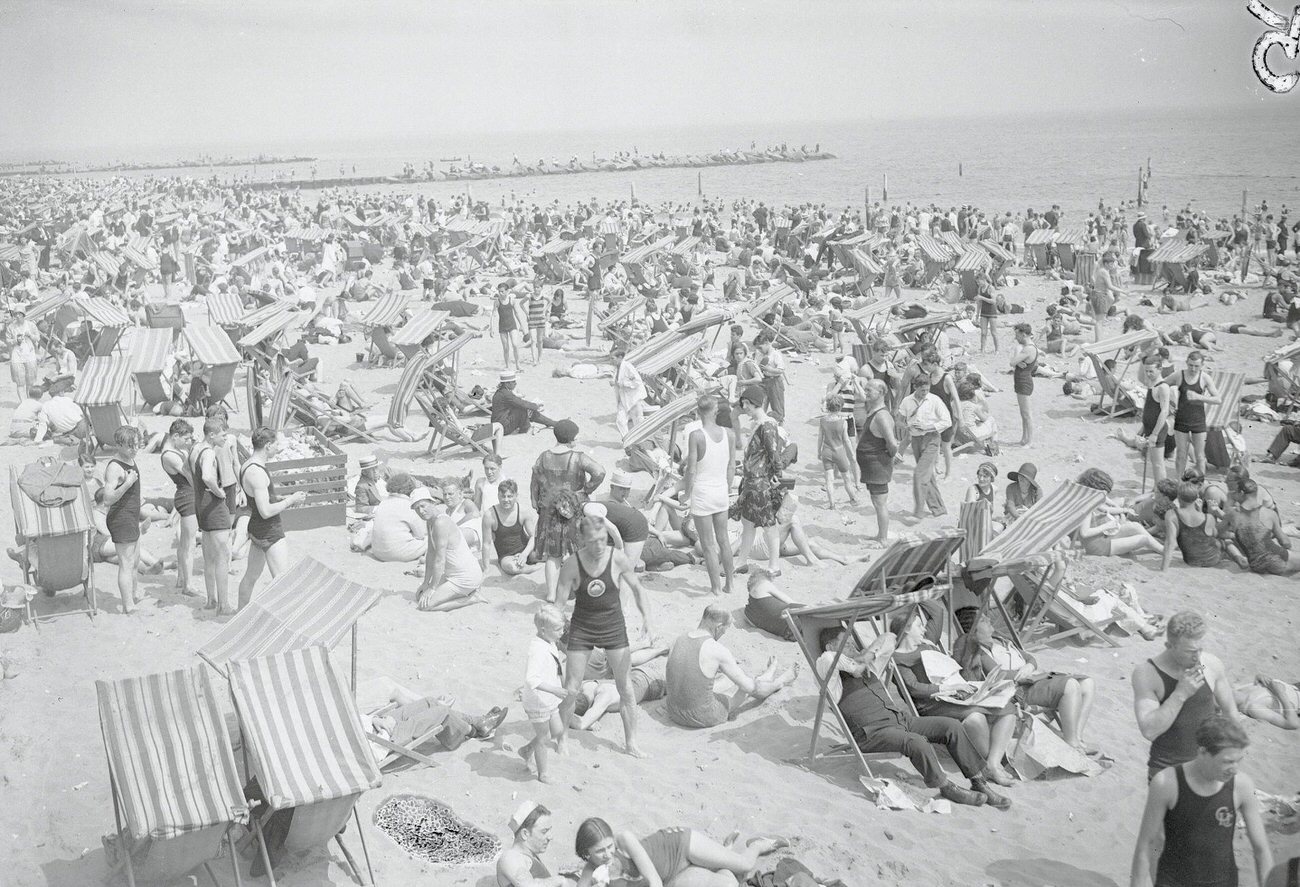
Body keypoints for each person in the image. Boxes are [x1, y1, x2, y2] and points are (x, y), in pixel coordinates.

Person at [816, 627, 1009, 809]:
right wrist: (862, 658)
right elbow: (834, 660)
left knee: (951, 726)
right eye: (846, 644)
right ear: (831, 646)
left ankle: (978, 782)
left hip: (901, 720)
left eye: (852, 643)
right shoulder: (828, 670)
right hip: (872, 733)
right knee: (916, 742)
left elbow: (890, 637)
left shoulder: (867, 664)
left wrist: (867, 655)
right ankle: (946, 787)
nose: (852, 647)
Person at [1130, 716, 1272, 887]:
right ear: (1203, 752)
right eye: (1227, 762)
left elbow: (1261, 850)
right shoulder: (1166, 783)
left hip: (1223, 882)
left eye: (1238, 761)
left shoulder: (1241, 786)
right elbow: (1146, 845)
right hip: (1174, 882)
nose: (1234, 770)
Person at [556, 515, 652, 757]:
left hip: (612, 626)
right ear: (582, 540)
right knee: (571, 688)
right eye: (592, 541)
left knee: (626, 688)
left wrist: (647, 619)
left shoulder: (617, 558)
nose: (598, 546)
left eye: (602, 540)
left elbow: (638, 589)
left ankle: (631, 743)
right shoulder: (571, 565)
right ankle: (562, 739)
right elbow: (557, 605)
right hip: (582, 627)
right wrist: (549, 634)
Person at [892, 606, 1018, 785]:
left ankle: (992, 763)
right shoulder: (898, 658)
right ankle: (992, 765)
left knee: (1008, 707)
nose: (924, 629)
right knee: (975, 718)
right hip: (934, 703)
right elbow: (914, 688)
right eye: (918, 626)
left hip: (957, 693)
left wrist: (914, 590)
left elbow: (937, 610)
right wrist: (944, 688)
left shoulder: (928, 642)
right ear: (906, 628)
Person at [954, 608, 1097, 753]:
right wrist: (1031, 674)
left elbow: (1029, 658)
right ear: (973, 631)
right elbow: (1000, 675)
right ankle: (1071, 743)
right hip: (1020, 690)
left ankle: (1076, 738)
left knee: (1087, 683)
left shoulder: (1000, 640)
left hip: (1034, 679)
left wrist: (1029, 666)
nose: (989, 621)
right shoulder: (979, 652)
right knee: (1070, 685)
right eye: (983, 620)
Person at [1133, 611, 1239, 780]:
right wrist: (1181, 694)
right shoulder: (1147, 674)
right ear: (1169, 646)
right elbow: (1149, 730)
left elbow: (1231, 714)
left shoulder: (1209, 664)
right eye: (1190, 651)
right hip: (1168, 771)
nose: (1197, 657)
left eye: (1200, 650)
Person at [665, 604, 798, 729]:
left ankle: (767, 674)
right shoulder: (716, 649)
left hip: (674, 712)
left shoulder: (678, 639)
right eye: (725, 629)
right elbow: (751, 689)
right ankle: (779, 681)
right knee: (747, 685)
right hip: (703, 716)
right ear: (718, 626)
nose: (723, 634)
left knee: (723, 679)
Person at [574, 817, 787, 887]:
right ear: (586, 854)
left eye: (609, 847)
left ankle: (756, 845)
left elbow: (655, 882)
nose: (608, 854)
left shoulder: (624, 839)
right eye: (599, 851)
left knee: (745, 866)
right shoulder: (588, 876)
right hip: (673, 875)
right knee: (727, 879)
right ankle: (724, 850)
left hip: (678, 845)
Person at [531, 419, 605, 601]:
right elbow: (600, 472)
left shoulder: (543, 457)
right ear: (571, 439)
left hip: (550, 510)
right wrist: (586, 490)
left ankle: (550, 594)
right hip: (573, 508)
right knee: (578, 549)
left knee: (553, 554)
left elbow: (535, 483)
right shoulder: (578, 457)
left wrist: (537, 504)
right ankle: (580, 589)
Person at [237, 427, 307, 609]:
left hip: (256, 529)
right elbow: (266, 511)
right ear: (267, 446)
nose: (278, 449)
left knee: (251, 576)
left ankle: (240, 615)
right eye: (276, 445)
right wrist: (291, 500)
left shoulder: (247, 466)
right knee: (283, 580)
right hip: (269, 530)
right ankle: (283, 621)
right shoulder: (257, 473)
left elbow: (257, 499)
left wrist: (282, 500)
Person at [684, 395, 736, 595]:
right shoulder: (729, 434)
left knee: (708, 544)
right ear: (715, 411)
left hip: (703, 492)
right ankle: (730, 584)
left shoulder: (696, 435)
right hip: (720, 490)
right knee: (723, 540)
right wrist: (727, 487)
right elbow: (731, 466)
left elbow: (691, 470)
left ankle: (716, 588)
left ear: (698, 412)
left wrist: (686, 494)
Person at [731, 386, 784, 576]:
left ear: (754, 403)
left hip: (760, 482)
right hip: (751, 481)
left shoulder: (767, 425)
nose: (744, 406)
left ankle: (774, 566)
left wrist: (778, 474)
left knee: (768, 525)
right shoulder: (759, 424)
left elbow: (774, 453)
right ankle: (742, 561)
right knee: (747, 523)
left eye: (746, 403)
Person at [520, 605, 576, 783]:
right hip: (538, 701)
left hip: (549, 700)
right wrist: (555, 689)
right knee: (543, 738)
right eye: (558, 629)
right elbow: (531, 679)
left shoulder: (549, 641)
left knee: (558, 730)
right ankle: (543, 773)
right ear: (543, 630)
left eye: (562, 628)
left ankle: (528, 749)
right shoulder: (537, 650)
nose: (562, 633)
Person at [413, 486, 485, 612]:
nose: (421, 511)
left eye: (423, 506)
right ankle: (463, 592)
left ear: (432, 502)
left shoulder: (441, 522)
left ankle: (472, 598)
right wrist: (426, 583)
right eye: (417, 508)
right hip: (452, 574)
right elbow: (430, 553)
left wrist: (432, 588)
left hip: (465, 576)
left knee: (425, 606)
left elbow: (440, 559)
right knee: (419, 596)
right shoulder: (430, 521)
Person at [1074, 468, 1164, 559]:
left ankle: (1160, 546)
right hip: (1098, 547)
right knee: (1144, 539)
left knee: (1135, 526)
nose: (1105, 496)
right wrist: (1107, 526)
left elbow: (1105, 508)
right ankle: (1164, 550)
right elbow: (1084, 533)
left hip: (1101, 538)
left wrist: (1124, 510)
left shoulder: (1085, 498)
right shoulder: (1087, 505)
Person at [191, 417, 233, 613]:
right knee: (222, 557)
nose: (226, 439)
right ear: (212, 434)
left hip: (201, 506)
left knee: (208, 559)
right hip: (214, 508)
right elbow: (207, 476)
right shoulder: (208, 453)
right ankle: (224, 605)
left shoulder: (195, 449)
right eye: (223, 435)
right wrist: (219, 492)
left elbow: (186, 470)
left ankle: (211, 600)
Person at [102, 426, 144, 613]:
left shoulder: (130, 459)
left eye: (136, 445)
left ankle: (132, 595)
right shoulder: (114, 467)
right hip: (121, 518)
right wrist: (127, 484)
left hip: (131, 516)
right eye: (130, 446)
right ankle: (128, 605)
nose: (134, 449)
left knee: (134, 561)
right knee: (126, 563)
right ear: (119, 445)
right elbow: (107, 498)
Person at [898, 373, 950, 519]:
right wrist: (908, 426)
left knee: (919, 474)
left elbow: (947, 421)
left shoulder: (935, 400)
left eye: (927, 390)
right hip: (915, 440)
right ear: (915, 387)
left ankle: (918, 511)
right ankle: (939, 509)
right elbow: (899, 421)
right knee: (928, 475)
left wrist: (927, 427)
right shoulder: (907, 401)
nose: (925, 393)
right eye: (922, 390)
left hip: (932, 439)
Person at [160, 419, 200, 597]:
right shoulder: (169, 455)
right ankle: (188, 585)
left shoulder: (174, 450)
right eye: (186, 438)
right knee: (189, 543)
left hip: (185, 495)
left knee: (184, 540)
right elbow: (190, 476)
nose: (188, 441)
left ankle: (180, 579)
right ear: (175, 436)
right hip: (187, 496)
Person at [855, 378, 897, 545]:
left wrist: (889, 455)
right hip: (873, 465)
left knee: (880, 503)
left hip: (878, 464)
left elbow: (893, 444)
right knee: (877, 501)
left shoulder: (881, 416)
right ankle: (881, 535)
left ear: (880, 393)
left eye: (869, 390)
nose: (866, 392)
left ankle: (883, 539)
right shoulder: (874, 410)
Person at [1168, 350, 1219, 478]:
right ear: (1186, 363)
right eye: (1190, 365)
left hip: (1198, 420)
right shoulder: (1179, 375)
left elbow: (1218, 399)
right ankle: (1179, 482)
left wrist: (1199, 397)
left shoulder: (1205, 377)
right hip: (1181, 419)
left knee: (1200, 456)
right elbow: (1161, 385)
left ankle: (1200, 483)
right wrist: (1168, 403)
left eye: (1196, 366)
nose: (1193, 368)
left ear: (1202, 365)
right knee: (1181, 454)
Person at [496, 802, 569, 887]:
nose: (550, 837)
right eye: (544, 831)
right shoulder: (510, 858)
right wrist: (559, 880)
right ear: (525, 834)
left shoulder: (529, 855)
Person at [481, 479, 541, 576]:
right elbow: (486, 544)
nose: (506, 500)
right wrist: (486, 568)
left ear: (516, 496)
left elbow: (533, 536)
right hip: (506, 555)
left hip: (526, 549)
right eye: (503, 496)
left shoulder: (523, 511)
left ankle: (538, 565)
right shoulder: (490, 515)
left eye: (509, 496)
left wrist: (524, 554)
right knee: (512, 568)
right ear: (498, 496)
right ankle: (536, 568)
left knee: (546, 555)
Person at [1161, 482, 1223, 571]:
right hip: (1212, 560)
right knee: (1224, 542)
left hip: (1191, 561)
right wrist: (1202, 511)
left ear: (1178, 498)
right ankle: (1237, 556)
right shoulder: (1208, 517)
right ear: (1196, 498)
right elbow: (1213, 535)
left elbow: (1170, 544)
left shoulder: (1172, 515)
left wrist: (1164, 569)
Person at [369, 472, 428, 562]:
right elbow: (420, 534)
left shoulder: (383, 502)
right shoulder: (408, 505)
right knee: (430, 539)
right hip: (396, 554)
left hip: (378, 552)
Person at [1137, 354, 1174, 486]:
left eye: (1151, 371)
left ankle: (1162, 490)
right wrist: (1143, 429)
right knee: (1154, 462)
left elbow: (1164, 411)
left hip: (1157, 430)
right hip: (1149, 427)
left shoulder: (1163, 387)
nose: (1148, 374)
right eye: (1147, 371)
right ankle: (1157, 488)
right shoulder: (1152, 384)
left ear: (1159, 369)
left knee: (1158, 464)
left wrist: (1154, 434)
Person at [817, 393, 858, 508]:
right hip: (839, 451)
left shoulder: (823, 421)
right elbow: (846, 440)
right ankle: (853, 499)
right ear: (840, 407)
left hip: (826, 450)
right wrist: (852, 454)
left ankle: (832, 504)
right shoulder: (843, 422)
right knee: (846, 478)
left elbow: (820, 438)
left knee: (829, 480)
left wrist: (818, 451)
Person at [743, 567, 800, 641]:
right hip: (796, 622)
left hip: (787, 633)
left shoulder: (748, 613)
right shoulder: (763, 584)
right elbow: (791, 602)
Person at [493, 371, 558, 436]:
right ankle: (526, 429)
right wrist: (536, 406)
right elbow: (522, 403)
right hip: (502, 428)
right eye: (513, 382)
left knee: (525, 408)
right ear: (507, 384)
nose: (515, 383)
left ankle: (550, 422)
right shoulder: (506, 394)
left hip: (499, 424)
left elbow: (518, 402)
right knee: (523, 409)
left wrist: (533, 406)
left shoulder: (501, 392)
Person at [1009, 323, 1037, 446]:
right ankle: (1024, 438)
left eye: (1017, 335)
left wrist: (1016, 363)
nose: (1016, 338)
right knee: (1023, 413)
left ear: (1023, 334)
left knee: (1027, 414)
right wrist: (1017, 363)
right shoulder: (1029, 347)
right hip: (1022, 381)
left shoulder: (1028, 348)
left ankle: (1029, 441)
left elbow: (1012, 362)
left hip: (1024, 381)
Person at [613, 346, 647, 437]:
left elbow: (638, 382)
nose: (611, 361)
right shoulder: (617, 368)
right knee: (620, 420)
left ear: (620, 358)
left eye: (613, 358)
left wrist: (624, 383)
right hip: (623, 398)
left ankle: (640, 441)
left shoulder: (628, 367)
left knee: (638, 422)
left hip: (634, 398)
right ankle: (627, 440)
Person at [755, 333, 787, 424]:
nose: (759, 350)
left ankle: (779, 425)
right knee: (761, 403)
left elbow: (781, 370)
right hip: (765, 380)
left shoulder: (776, 354)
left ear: (767, 343)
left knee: (777, 405)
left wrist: (770, 369)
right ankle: (760, 423)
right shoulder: (761, 354)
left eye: (760, 347)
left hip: (775, 381)